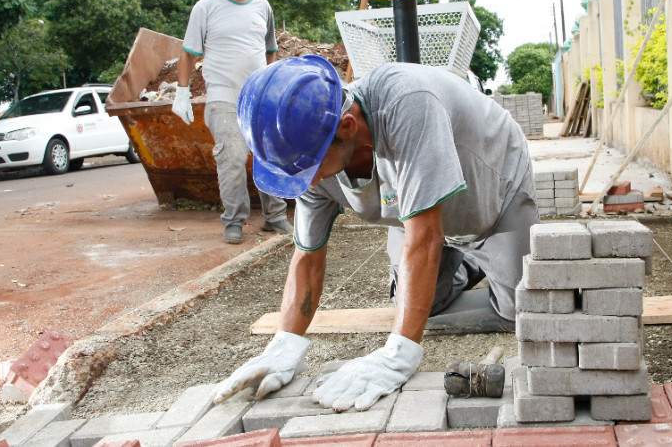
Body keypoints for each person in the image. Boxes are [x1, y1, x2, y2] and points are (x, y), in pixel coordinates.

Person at [215, 55, 539, 412]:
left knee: (521, 308)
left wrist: (398, 355)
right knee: (421, 305)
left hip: (493, 190)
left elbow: (425, 237)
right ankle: (467, 264)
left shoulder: (408, 104)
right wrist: (285, 344)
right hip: (417, 215)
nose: (304, 180)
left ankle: (481, 252)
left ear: (347, 127)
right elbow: (307, 255)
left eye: (308, 167)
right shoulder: (305, 157)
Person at [172, 0, 292, 244]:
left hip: (259, 96)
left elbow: (270, 50)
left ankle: (275, 216)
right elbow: (188, 52)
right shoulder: (206, 7)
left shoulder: (262, 6)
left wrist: (272, 82)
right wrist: (182, 92)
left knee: (268, 155)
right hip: (224, 96)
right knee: (234, 157)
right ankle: (234, 221)